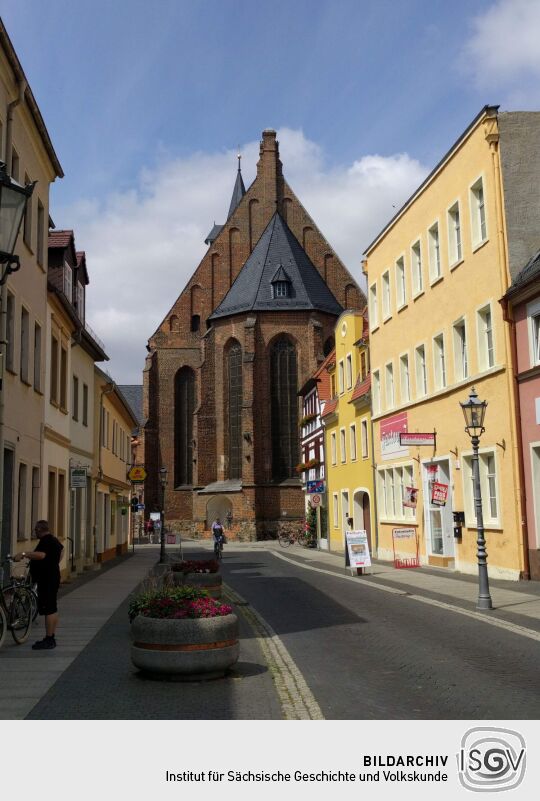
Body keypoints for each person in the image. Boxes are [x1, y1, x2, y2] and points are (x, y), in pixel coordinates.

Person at [13, 520, 63, 650]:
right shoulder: (54, 540)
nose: (34, 532)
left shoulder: (46, 541)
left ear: (40, 529)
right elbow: (61, 552)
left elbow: (41, 555)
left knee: (49, 609)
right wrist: (53, 563)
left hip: (47, 579)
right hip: (52, 577)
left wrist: (24, 554)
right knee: (52, 608)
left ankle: (49, 639)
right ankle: (50, 637)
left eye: (35, 530)